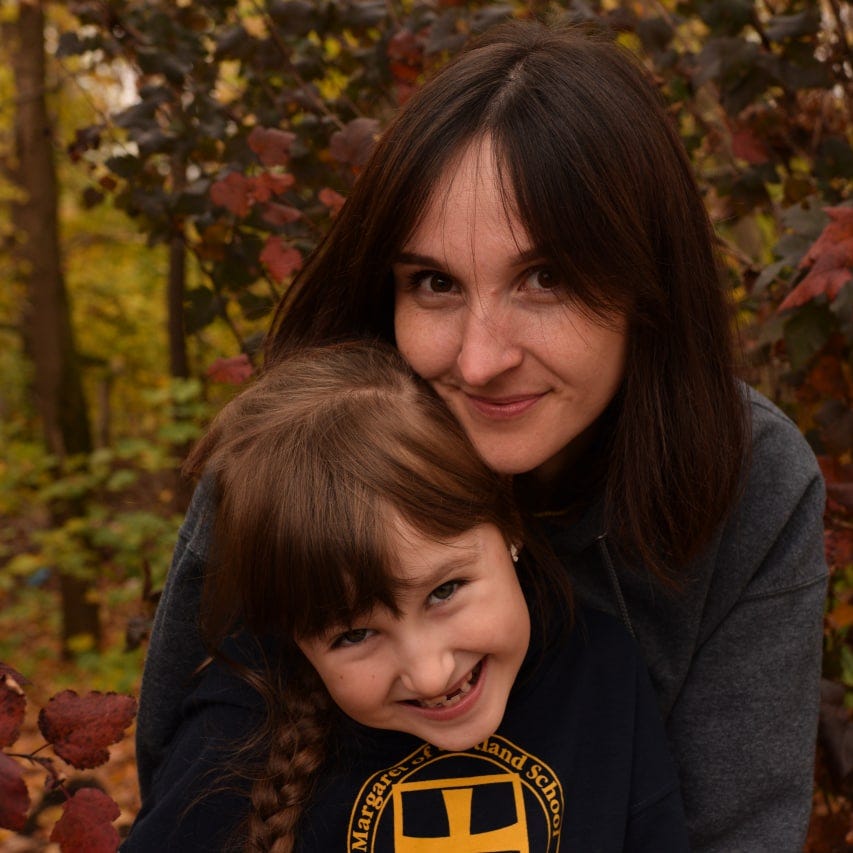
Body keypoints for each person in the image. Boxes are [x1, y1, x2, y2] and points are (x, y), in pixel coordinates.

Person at [134, 19, 828, 852]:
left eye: (546, 278)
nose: (479, 357)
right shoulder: (297, 468)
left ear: (647, 285)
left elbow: (737, 831)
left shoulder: (749, 478)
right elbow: (180, 764)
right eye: (433, 282)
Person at [122, 341, 689, 851]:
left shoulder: (602, 675)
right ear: (294, 636)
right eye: (355, 634)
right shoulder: (241, 724)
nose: (430, 674)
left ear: (510, 525)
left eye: (444, 591)